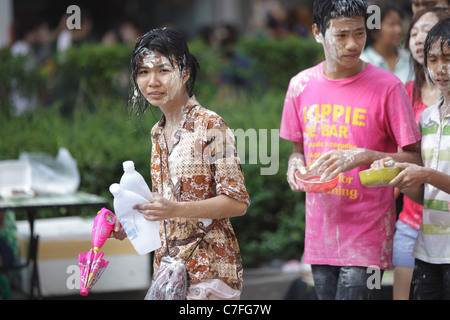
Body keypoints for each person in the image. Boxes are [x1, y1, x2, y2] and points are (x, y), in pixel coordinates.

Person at [280, 0, 422, 300]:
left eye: (359, 33)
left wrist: (365, 156)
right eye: (341, 35)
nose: (353, 44)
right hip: (320, 238)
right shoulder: (299, 86)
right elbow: (297, 151)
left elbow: (414, 158)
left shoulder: (389, 87)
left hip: (369, 238)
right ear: (318, 32)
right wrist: (294, 166)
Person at [113, 27, 250, 300]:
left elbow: (238, 202)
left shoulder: (211, 125)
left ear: (184, 73)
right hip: (169, 272)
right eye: (143, 72)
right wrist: (131, 221)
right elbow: (166, 204)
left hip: (210, 272)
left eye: (163, 70)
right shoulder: (157, 132)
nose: (152, 81)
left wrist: (174, 208)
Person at [374, 18, 450, 299]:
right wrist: (401, 175)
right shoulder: (427, 118)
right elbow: (426, 196)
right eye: (432, 59)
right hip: (428, 252)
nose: (440, 68)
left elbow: (430, 179)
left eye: (448, 58)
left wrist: (426, 174)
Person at [361, 4, 412, 83]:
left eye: (399, 24)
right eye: (392, 24)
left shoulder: (409, 58)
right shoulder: (363, 62)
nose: (399, 30)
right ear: (374, 30)